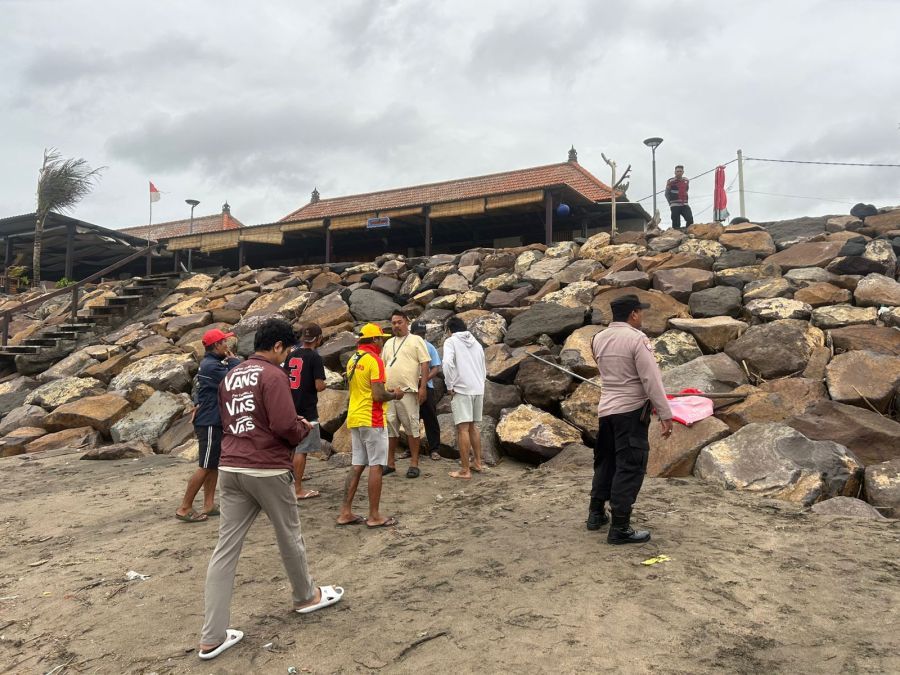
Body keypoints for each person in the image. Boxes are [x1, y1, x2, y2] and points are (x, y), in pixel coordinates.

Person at [198, 319, 343, 661]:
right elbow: (282, 424)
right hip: (266, 467)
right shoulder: (272, 374)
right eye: (287, 350)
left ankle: (211, 637)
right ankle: (305, 596)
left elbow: (224, 419)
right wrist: (302, 428)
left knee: (225, 549)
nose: (287, 356)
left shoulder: (231, 373)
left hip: (231, 466)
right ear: (277, 346)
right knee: (289, 535)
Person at [589, 295, 674, 545]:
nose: (642, 316)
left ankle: (595, 514)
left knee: (606, 463)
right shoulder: (637, 339)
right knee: (630, 467)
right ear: (634, 314)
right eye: (640, 312)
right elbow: (651, 380)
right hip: (630, 412)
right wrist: (665, 414)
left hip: (606, 410)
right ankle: (620, 527)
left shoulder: (597, 338)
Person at [338, 323, 402, 528]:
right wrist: (394, 395)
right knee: (376, 465)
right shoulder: (374, 360)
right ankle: (374, 515)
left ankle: (345, 512)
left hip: (355, 416)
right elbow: (377, 395)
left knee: (358, 464)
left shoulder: (353, 359)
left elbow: (364, 388)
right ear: (374, 340)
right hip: (372, 418)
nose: (382, 342)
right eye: (381, 339)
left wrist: (383, 391)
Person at [175, 328, 240, 523]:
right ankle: (184, 507)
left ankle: (209, 504)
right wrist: (234, 360)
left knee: (213, 464)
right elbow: (235, 378)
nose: (227, 346)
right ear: (216, 345)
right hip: (210, 421)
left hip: (212, 419)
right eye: (224, 343)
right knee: (205, 465)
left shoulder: (211, 363)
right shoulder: (212, 366)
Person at [382, 310, 431, 478]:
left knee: (412, 427)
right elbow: (383, 365)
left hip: (408, 392)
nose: (396, 325)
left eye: (399, 322)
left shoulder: (416, 340)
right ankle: (390, 463)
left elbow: (425, 364)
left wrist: (423, 387)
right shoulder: (388, 343)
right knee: (390, 428)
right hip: (389, 393)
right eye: (394, 323)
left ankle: (414, 463)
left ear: (407, 322)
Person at [283, 323, 327, 501]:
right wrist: (326, 385)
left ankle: (289, 481)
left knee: (291, 447)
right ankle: (297, 488)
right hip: (306, 408)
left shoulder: (291, 354)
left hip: (290, 405)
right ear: (318, 339)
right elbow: (319, 385)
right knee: (303, 449)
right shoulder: (314, 357)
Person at [441, 316, 487, 480]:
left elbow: (447, 363)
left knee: (462, 429)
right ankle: (478, 463)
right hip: (478, 387)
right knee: (473, 427)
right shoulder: (476, 343)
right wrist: (480, 383)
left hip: (462, 388)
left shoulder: (451, 342)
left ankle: (465, 470)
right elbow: (483, 367)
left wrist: (449, 385)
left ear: (449, 330)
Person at [410, 320, 442, 461]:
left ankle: (434, 449)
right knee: (411, 420)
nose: (421, 336)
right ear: (412, 333)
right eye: (418, 334)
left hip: (426, 388)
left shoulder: (429, 347)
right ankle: (410, 449)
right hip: (410, 389)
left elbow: (436, 367)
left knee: (431, 420)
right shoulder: (407, 347)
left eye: (423, 334)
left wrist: (424, 379)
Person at [665, 164, 693, 229]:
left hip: (684, 204)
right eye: (677, 171)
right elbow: (666, 193)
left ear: (683, 172)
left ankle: (687, 232)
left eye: (680, 171)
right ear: (674, 172)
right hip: (674, 205)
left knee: (690, 219)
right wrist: (671, 203)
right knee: (676, 223)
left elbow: (686, 190)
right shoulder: (670, 181)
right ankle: (676, 236)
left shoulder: (686, 181)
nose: (679, 173)